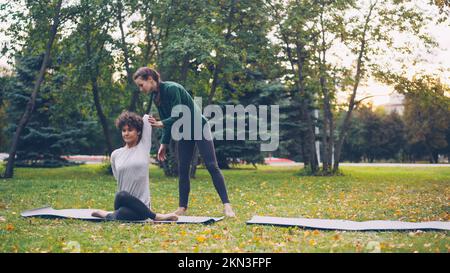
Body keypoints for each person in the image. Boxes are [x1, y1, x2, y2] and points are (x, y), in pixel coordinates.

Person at [133, 67, 236, 217]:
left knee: (211, 165)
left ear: (150, 79)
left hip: (198, 126)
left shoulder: (172, 89)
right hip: (184, 132)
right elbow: (169, 121)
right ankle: (182, 207)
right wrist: (164, 143)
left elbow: (180, 113)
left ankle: (227, 206)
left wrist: (161, 123)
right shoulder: (156, 97)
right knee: (183, 169)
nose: (141, 89)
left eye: (141, 85)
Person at [92, 111, 178, 221]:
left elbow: (146, 119)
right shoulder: (115, 154)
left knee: (121, 214)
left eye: (130, 130)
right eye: (124, 130)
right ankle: (156, 216)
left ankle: (107, 215)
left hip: (142, 207)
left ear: (138, 132)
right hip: (122, 202)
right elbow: (117, 177)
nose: (126, 133)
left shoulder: (143, 147)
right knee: (121, 195)